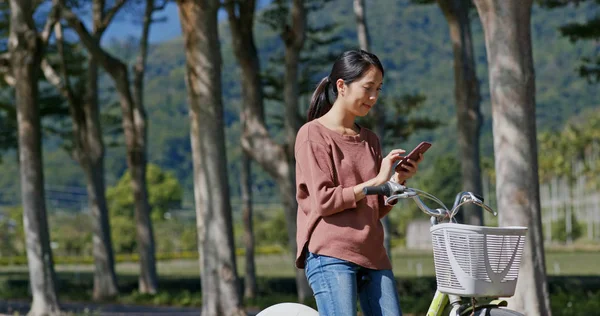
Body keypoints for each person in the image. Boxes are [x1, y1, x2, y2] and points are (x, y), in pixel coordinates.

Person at [294, 50, 423, 316]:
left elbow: (375, 207)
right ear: (341, 86)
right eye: (368, 88)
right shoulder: (312, 135)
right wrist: (376, 180)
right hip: (331, 253)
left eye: (378, 89)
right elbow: (325, 201)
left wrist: (397, 180)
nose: (374, 97)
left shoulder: (370, 140)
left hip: (373, 253)